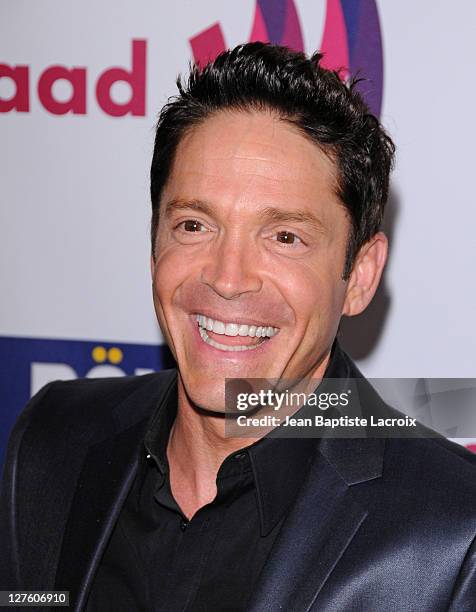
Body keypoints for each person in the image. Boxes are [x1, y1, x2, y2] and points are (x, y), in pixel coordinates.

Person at [1, 42, 476, 612]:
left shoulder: (453, 532)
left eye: (284, 237)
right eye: (195, 224)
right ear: (154, 240)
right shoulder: (52, 440)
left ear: (360, 276)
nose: (227, 279)